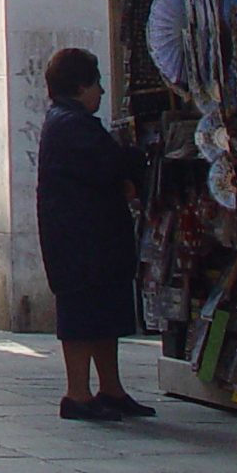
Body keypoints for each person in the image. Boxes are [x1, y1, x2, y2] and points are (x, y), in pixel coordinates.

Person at [36, 46, 155, 422]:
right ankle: (78, 394)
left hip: (93, 241)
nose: (102, 92)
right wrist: (136, 160)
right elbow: (106, 167)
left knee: (105, 315)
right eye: (97, 83)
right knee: (83, 315)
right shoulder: (71, 125)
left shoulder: (68, 122)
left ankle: (111, 389)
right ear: (80, 85)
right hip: (81, 243)